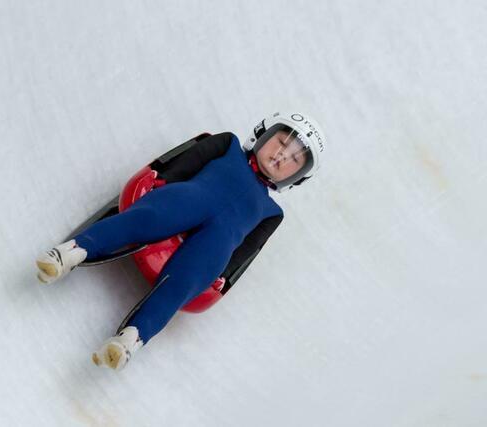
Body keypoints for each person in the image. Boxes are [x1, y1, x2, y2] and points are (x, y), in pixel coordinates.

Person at [36, 112, 326, 370]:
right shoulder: (227, 145)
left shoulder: (272, 212)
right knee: (153, 216)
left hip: (219, 237)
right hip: (192, 198)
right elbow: (189, 159)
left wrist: (224, 278)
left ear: (296, 177)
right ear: (263, 134)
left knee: (191, 277)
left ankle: (130, 340)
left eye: (294, 160)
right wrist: (159, 177)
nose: (282, 156)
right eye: (281, 143)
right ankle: (71, 252)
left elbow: (248, 251)